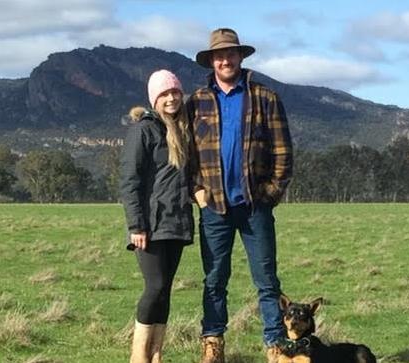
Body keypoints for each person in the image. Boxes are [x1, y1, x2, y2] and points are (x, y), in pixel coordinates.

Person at [187, 28, 293, 363]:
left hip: (254, 206)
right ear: (212, 60)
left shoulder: (265, 97)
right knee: (215, 279)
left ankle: (275, 345)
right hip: (214, 207)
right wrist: (197, 191)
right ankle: (213, 342)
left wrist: (271, 193)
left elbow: (283, 152)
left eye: (231, 53)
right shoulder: (197, 101)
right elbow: (185, 152)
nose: (225, 60)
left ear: (241, 56)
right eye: (219, 55)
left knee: (266, 281)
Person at [120, 69, 194, 363]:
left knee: (165, 292)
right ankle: (138, 356)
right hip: (150, 224)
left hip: (177, 223)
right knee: (155, 287)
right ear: (154, 99)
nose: (171, 98)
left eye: (175, 92)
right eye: (164, 94)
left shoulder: (182, 129)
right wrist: (136, 225)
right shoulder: (143, 130)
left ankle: (156, 355)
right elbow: (130, 180)